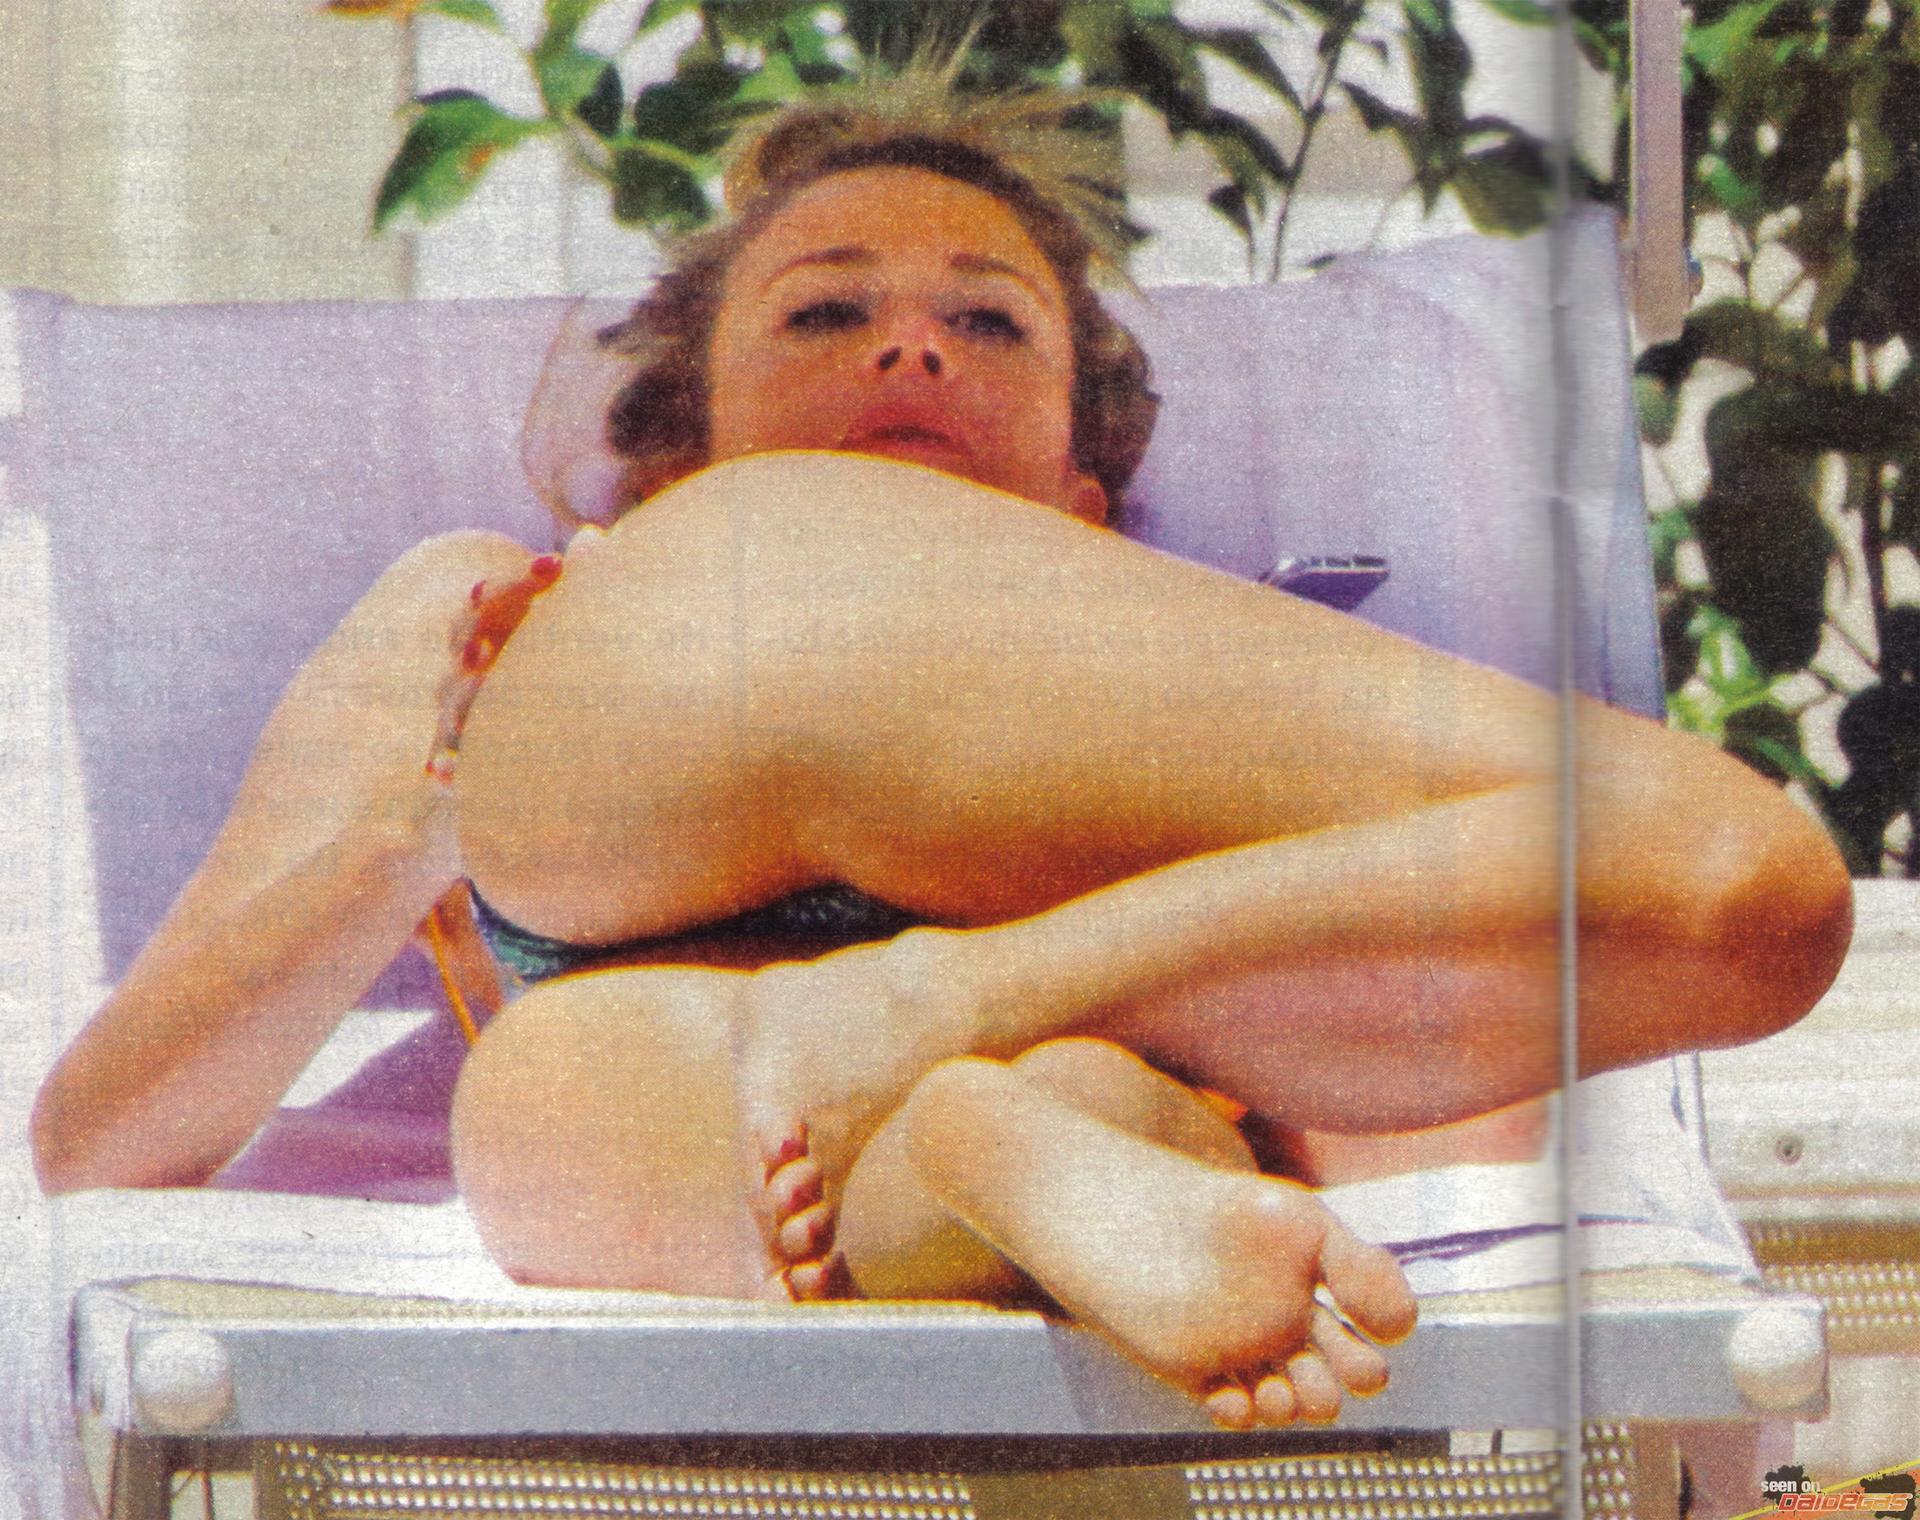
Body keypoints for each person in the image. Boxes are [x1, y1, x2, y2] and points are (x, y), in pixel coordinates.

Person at [29, 72, 1853, 1432]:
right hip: (687, 685)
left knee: (598, 1106)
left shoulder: (1151, 643)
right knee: (1734, 881)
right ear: (677, 456)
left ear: (1083, 497)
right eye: (824, 310)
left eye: (990, 320)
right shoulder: (506, 611)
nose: (912, 343)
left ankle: (1011, 1142)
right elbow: (108, 1135)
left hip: (721, 1070)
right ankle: (1000, 1047)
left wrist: (1003, 1047)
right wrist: (417, 825)